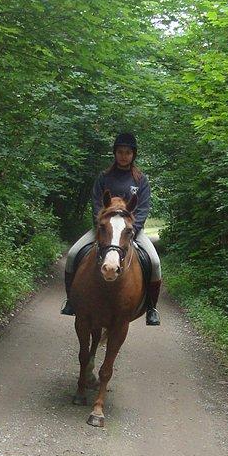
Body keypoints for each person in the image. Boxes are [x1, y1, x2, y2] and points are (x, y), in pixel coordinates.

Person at [61, 131, 162, 326]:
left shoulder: (141, 180)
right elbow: (97, 204)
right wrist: (102, 225)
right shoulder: (104, 177)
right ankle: (70, 301)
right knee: (73, 254)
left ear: (133, 155)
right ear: (115, 153)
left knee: (155, 263)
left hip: (130, 231)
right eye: (120, 152)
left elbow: (142, 208)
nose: (124, 156)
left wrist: (131, 229)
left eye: (128, 152)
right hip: (104, 229)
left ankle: (151, 307)